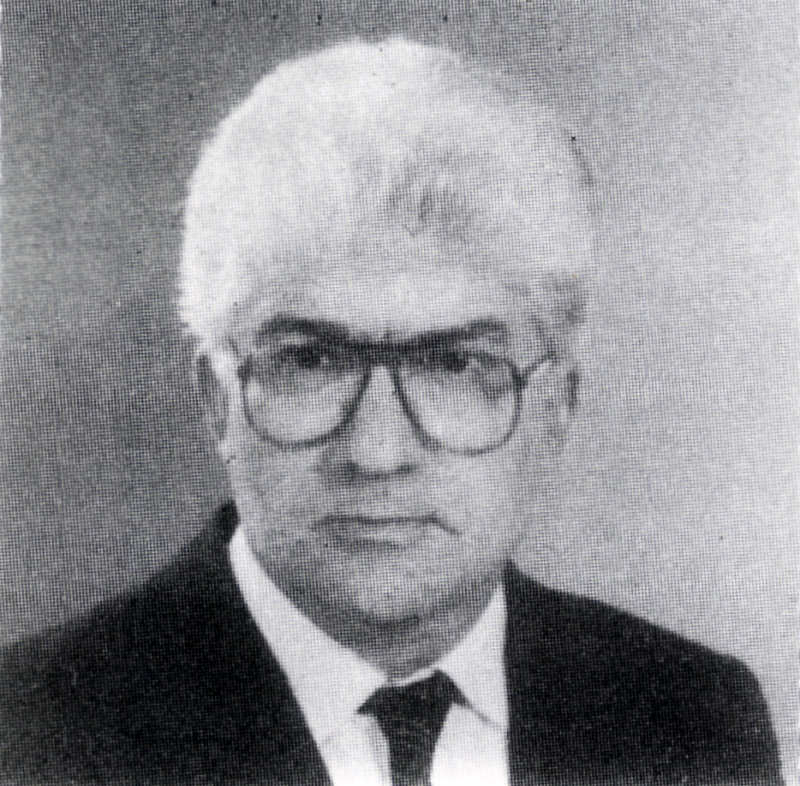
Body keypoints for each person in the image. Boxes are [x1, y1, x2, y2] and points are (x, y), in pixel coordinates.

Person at [0, 37, 783, 786]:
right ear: (218, 400)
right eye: (312, 360)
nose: (376, 452)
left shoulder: (695, 718)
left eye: (455, 364)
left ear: (556, 407)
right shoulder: (34, 731)